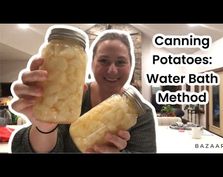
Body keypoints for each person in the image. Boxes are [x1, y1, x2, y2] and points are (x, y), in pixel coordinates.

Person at [10, 29, 156, 153]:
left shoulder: (140, 113)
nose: (112, 69)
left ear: (130, 65)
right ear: (91, 64)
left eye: (121, 62)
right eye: (103, 60)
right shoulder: (69, 95)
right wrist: (43, 127)